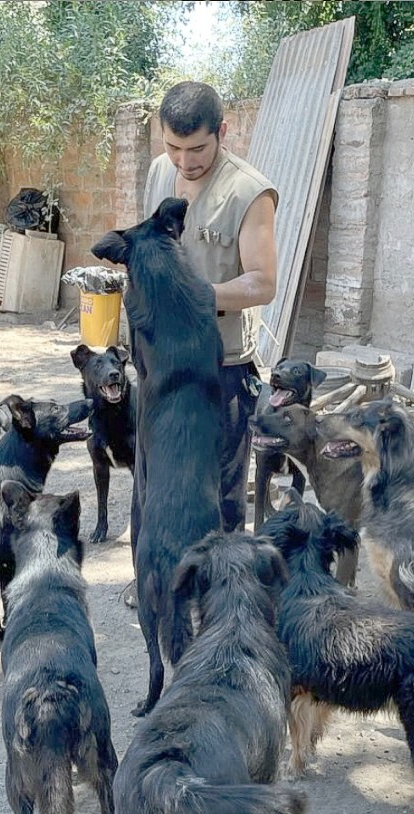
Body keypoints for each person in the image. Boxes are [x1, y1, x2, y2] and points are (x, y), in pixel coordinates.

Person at [143, 80, 279, 534]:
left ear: (224, 130)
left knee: (219, 494)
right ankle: (158, 582)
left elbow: (263, 283)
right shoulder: (159, 172)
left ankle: (222, 596)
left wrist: (196, 295)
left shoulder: (249, 192)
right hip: (163, 360)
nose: (184, 161)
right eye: (173, 147)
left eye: (197, 148)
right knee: (159, 480)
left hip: (220, 366)